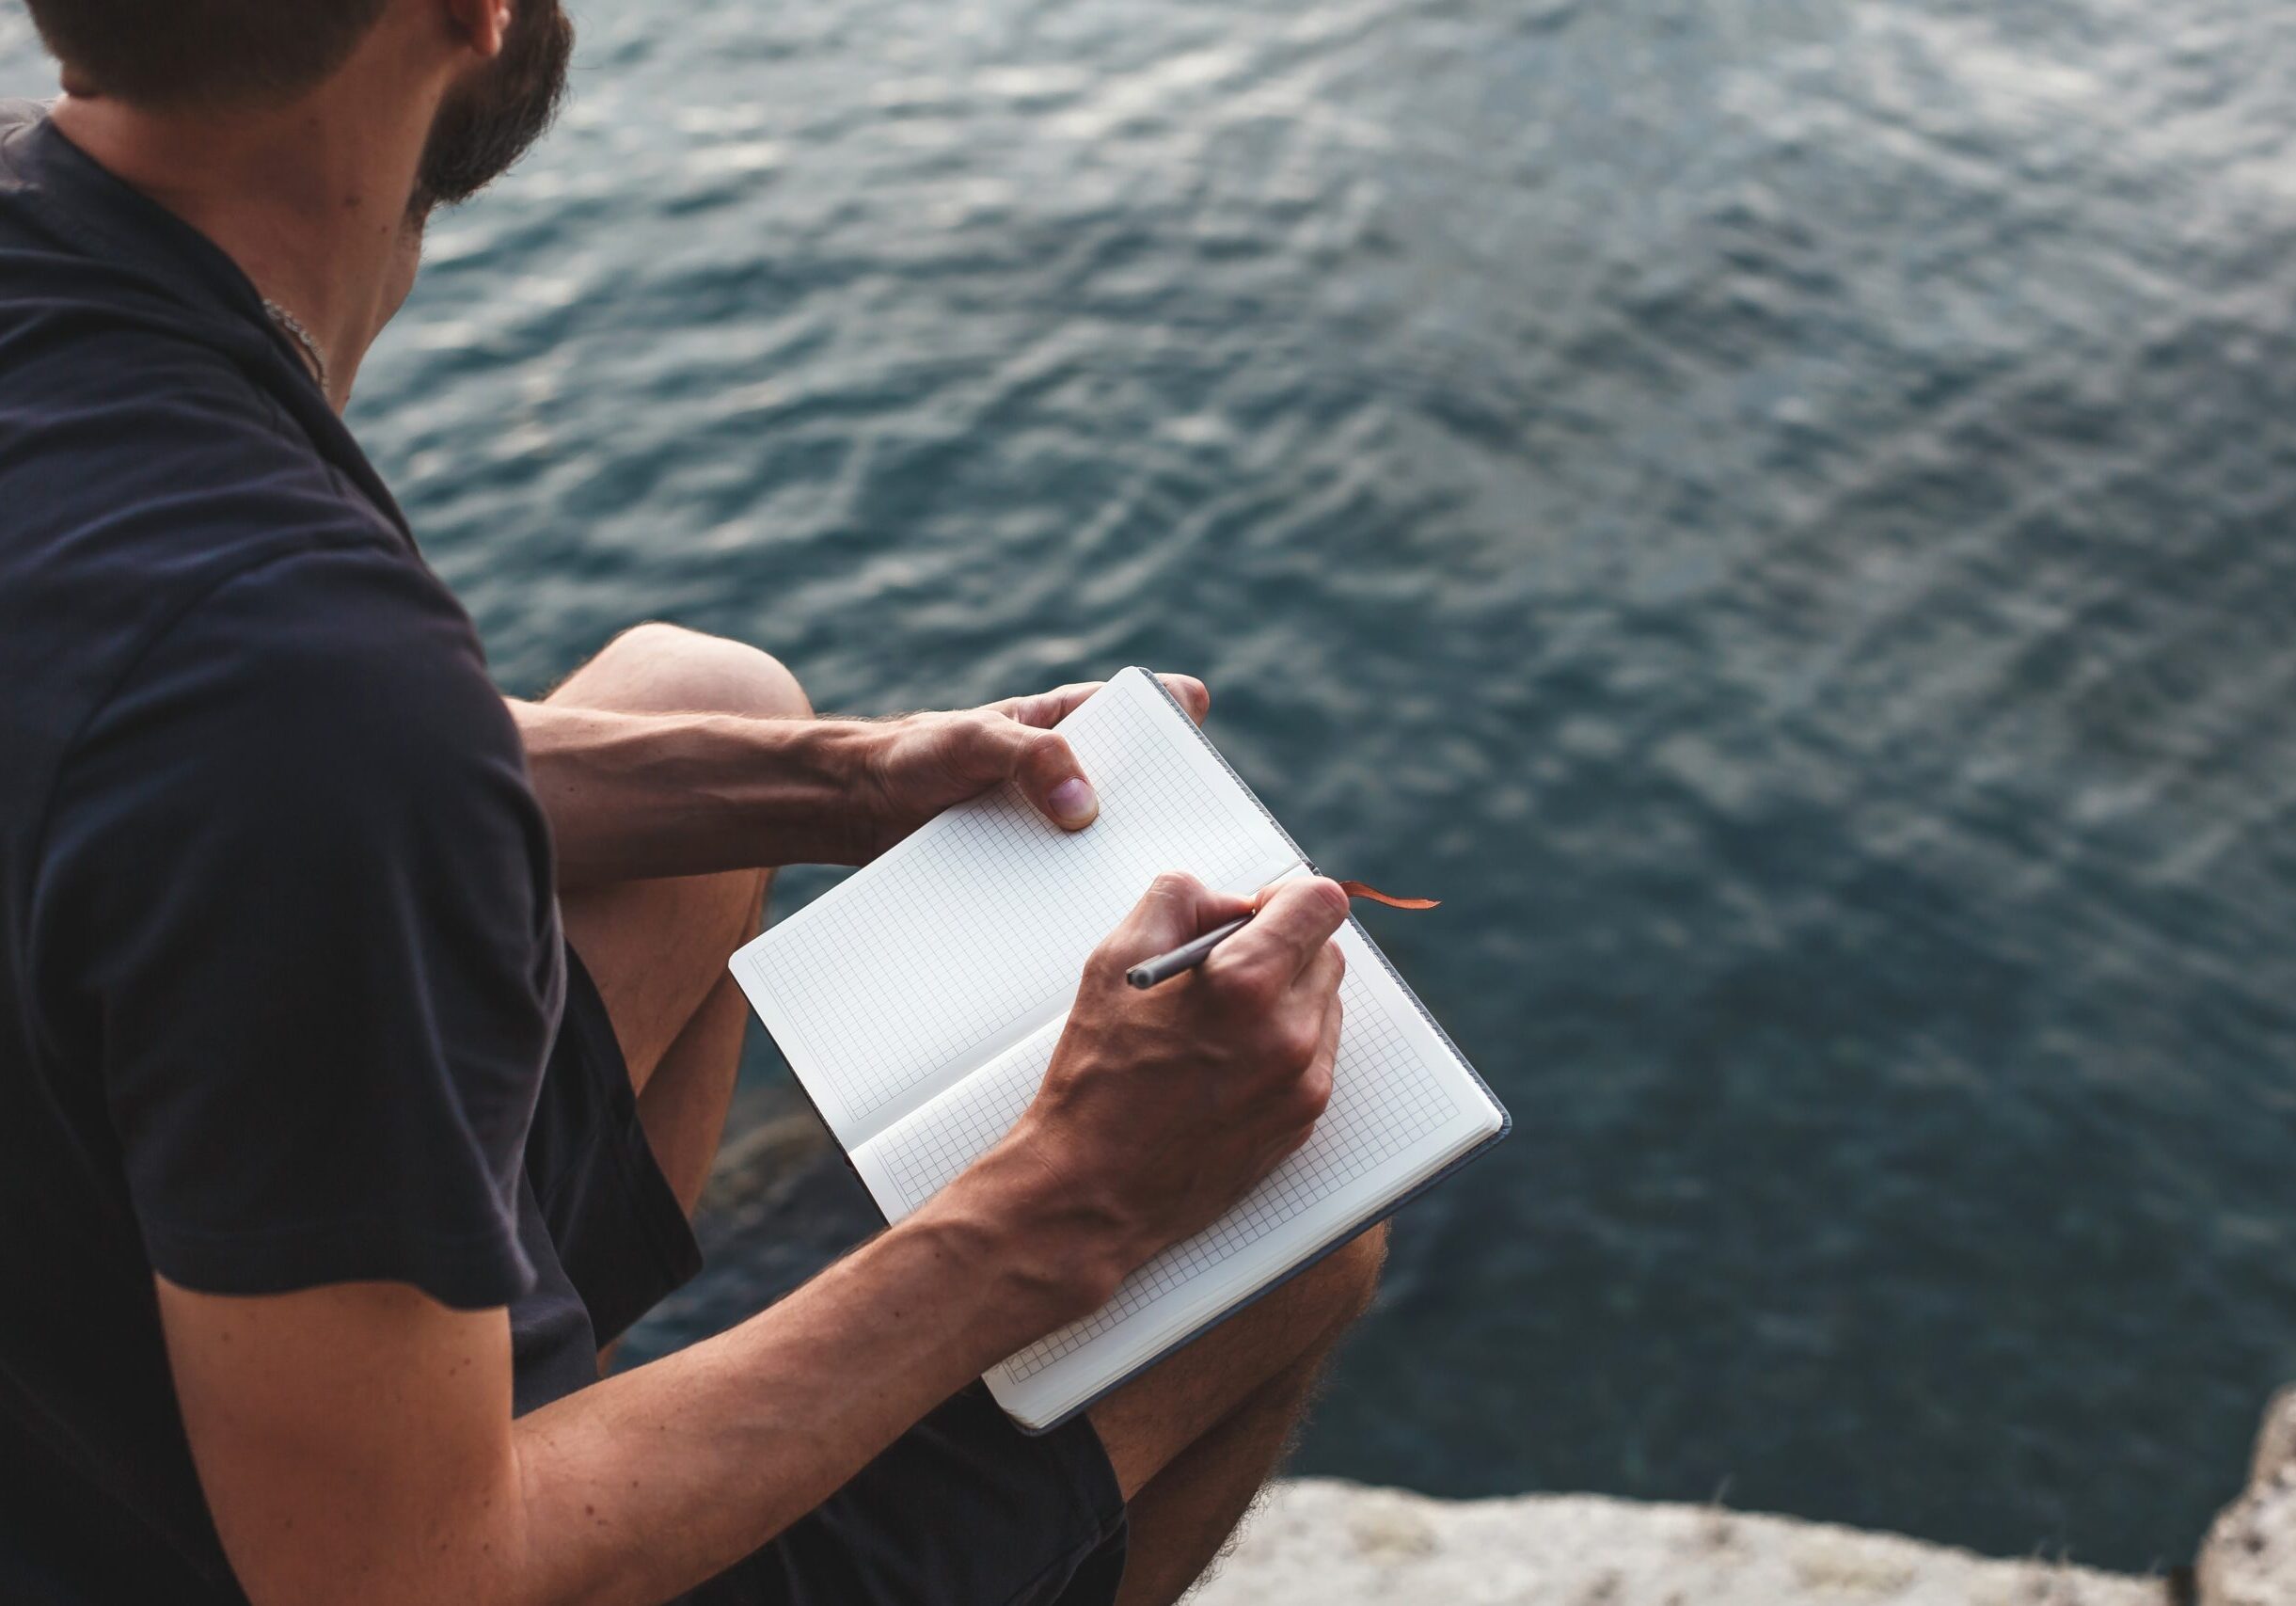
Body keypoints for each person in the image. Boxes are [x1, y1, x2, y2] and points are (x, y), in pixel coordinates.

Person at [0, 3, 1382, 1603]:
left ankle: (575, 1432)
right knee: (1267, 1232)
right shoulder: (307, 690)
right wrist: (1059, 1201)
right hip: (301, 1551)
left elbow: (166, 753)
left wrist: (840, 781)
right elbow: (395, 1587)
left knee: (707, 699)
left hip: (77, 1366)